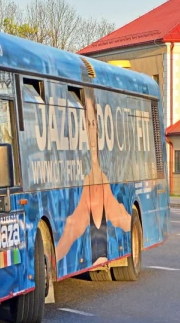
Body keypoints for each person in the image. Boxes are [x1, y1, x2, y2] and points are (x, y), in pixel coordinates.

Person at [55, 94, 132, 264]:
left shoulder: (103, 178)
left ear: (98, 127)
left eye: (92, 123)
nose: (90, 131)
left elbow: (125, 222)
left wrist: (123, 215)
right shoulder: (87, 180)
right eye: (86, 124)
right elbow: (71, 228)